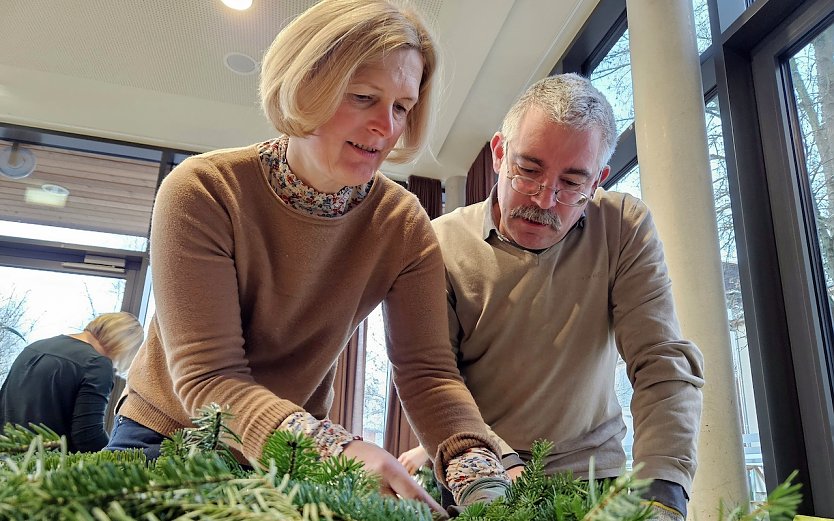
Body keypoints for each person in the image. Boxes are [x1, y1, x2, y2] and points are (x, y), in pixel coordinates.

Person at [105, 0, 508, 513]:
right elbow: (209, 377)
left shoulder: (403, 223)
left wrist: (480, 476)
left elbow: (429, 375)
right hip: (170, 436)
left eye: (402, 107)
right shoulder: (204, 190)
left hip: (290, 457)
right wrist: (335, 450)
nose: (386, 126)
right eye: (363, 97)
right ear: (304, 84)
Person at [427, 74, 705, 520]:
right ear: (499, 153)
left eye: (572, 182)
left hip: (594, 477)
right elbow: (434, 380)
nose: (544, 199)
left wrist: (663, 491)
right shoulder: (439, 243)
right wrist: (496, 467)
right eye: (528, 170)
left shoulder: (622, 227)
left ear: (598, 181)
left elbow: (660, 360)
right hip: (479, 467)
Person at [0, 312, 144, 452]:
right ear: (126, 348)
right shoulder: (96, 364)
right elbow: (88, 437)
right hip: (45, 463)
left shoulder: (34, 347)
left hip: (7, 456)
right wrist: (116, 459)